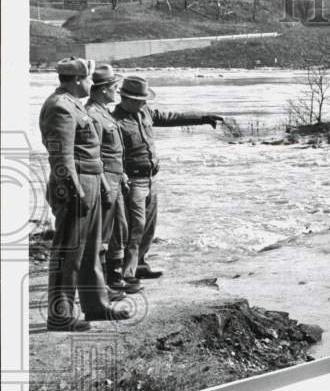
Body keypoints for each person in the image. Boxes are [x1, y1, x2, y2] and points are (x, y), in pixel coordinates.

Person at [39, 58, 133, 331]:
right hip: (74, 184)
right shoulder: (60, 107)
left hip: (89, 181)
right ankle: (60, 315)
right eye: (90, 79)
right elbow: (61, 156)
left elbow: (89, 153)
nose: (92, 85)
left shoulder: (73, 104)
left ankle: (96, 306)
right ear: (79, 79)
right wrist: (74, 191)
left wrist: (100, 183)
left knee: (90, 250)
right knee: (67, 252)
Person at [112, 76, 224, 280]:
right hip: (133, 181)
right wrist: (121, 177)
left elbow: (172, 117)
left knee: (149, 226)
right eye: (139, 99)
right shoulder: (115, 120)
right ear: (125, 98)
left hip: (151, 178)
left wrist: (204, 118)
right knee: (135, 227)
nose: (144, 103)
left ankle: (141, 265)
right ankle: (127, 274)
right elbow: (111, 154)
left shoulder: (145, 112)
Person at [85, 64, 141, 297]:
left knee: (120, 229)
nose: (116, 92)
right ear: (103, 89)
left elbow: (113, 150)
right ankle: (106, 283)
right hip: (105, 180)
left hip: (116, 178)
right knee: (105, 234)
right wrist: (106, 184)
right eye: (114, 87)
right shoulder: (93, 114)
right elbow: (94, 153)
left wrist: (123, 174)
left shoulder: (103, 111)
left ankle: (114, 277)